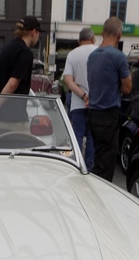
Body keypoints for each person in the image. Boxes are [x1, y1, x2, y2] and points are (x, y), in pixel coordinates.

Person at [86, 16, 131, 181]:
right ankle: (99, 193)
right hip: (108, 114)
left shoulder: (92, 56)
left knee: (99, 157)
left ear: (102, 33)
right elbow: (127, 88)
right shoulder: (118, 57)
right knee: (106, 164)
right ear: (119, 34)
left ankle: (93, 186)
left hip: (93, 113)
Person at [0, 16, 40, 131]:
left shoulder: (6, 49)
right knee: (27, 142)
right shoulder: (25, 52)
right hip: (15, 119)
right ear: (33, 32)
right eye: (38, 34)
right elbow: (13, 83)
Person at [62, 27, 97, 171]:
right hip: (96, 103)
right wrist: (91, 97)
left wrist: (83, 96)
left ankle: (75, 166)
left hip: (77, 104)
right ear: (93, 39)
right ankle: (89, 169)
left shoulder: (72, 54)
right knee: (92, 139)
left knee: (76, 137)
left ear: (79, 40)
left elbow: (68, 80)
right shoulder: (98, 51)